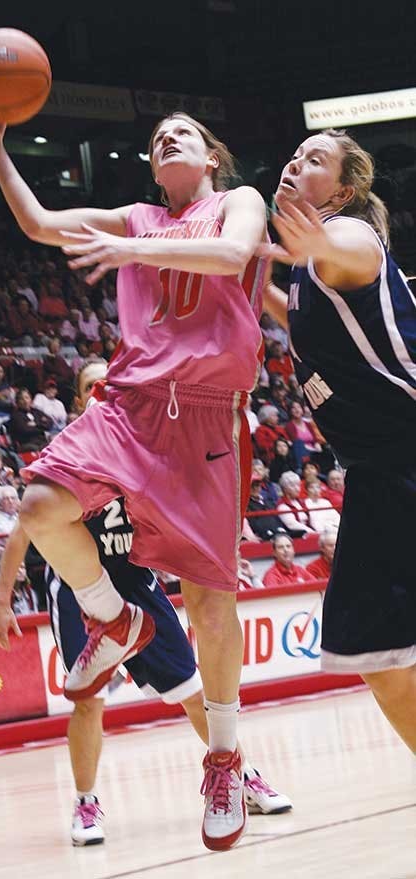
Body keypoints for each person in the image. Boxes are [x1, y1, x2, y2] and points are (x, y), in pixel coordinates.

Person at [0, 102, 269, 849]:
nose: (167, 139)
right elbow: (38, 222)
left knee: (209, 601)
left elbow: (231, 258)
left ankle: (224, 757)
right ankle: (114, 614)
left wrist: (137, 255)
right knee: (38, 505)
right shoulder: (135, 215)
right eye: (158, 136)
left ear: (209, 156)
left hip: (205, 412)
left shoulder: (238, 202)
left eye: (183, 133)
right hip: (132, 400)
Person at [263, 128, 416, 753]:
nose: (296, 160)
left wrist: (307, 237)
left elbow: (336, 247)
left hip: (403, 456)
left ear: (344, 190)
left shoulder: (351, 239)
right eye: (294, 152)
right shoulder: (306, 272)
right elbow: (297, 304)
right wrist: (249, 287)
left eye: (315, 160)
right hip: (380, 473)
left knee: (380, 659)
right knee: (379, 659)